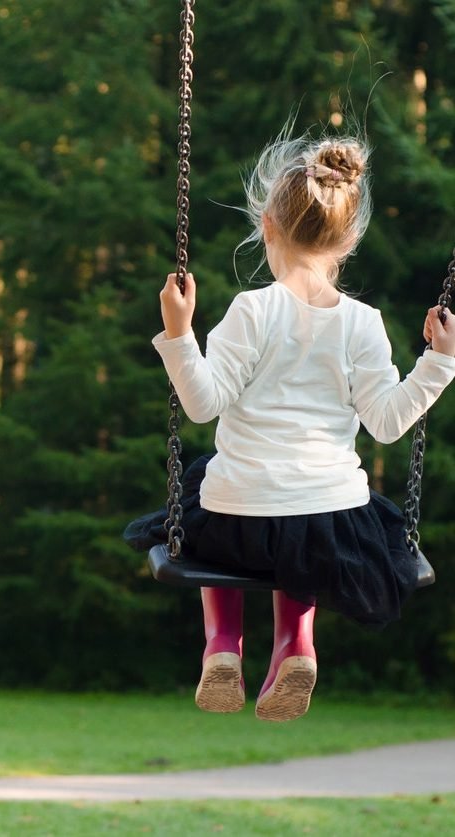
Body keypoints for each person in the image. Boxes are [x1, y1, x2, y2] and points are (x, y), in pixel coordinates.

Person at [124, 129, 455, 722]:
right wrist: (439, 363)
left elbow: (202, 404)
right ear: (349, 238)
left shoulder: (252, 310)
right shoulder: (364, 322)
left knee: (206, 493)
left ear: (267, 226)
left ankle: (222, 645)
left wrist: (178, 332)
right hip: (330, 522)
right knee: (304, 532)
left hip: (237, 519)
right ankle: (297, 645)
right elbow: (387, 424)